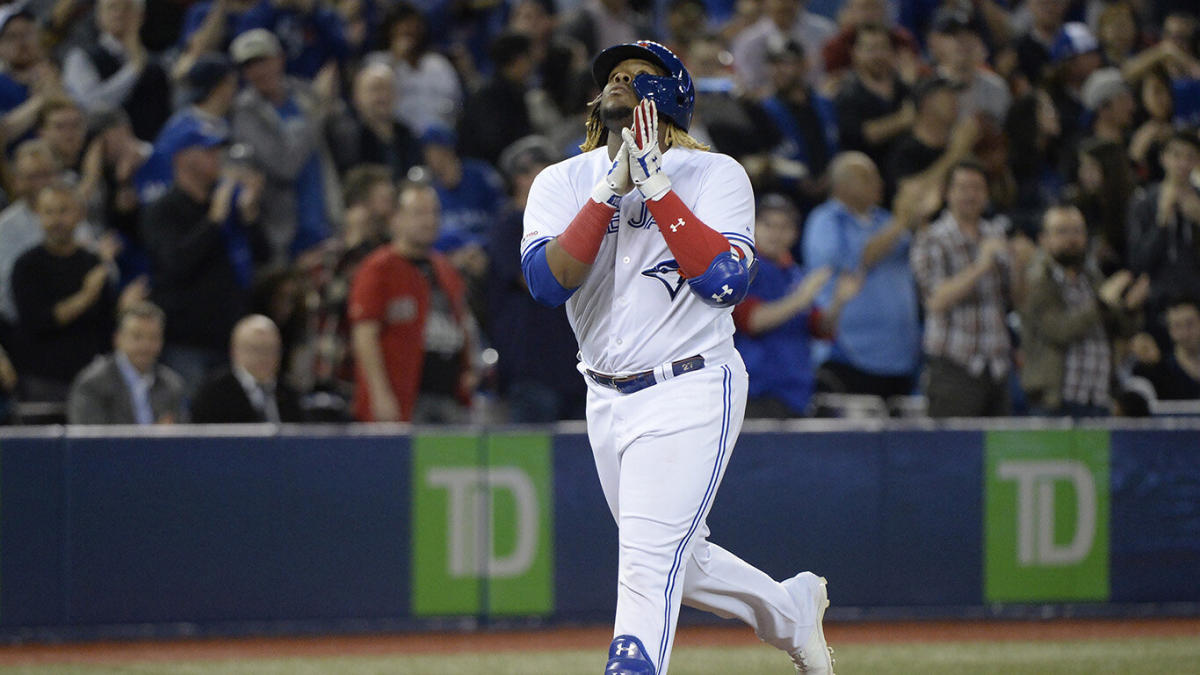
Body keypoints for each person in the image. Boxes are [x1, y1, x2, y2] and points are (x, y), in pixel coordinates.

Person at [520, 40, 832, 674]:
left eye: (638, 76)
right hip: (604, 396)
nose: (620, 82)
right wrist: (611, 188)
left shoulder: (716, 174)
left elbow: (723, 283)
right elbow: (547, 285)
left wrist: (654, 183)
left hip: (690, 385)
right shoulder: (562, 180)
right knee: (678, 562)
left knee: (645, 562)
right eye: (612, 75)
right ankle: (791, 612)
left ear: (673, 96)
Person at [139, 119, 264, 390]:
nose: (218, 158)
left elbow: (261, 260)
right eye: (209, 151)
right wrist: (213, 222)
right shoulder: (162, 210)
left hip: (229, 338)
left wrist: (250, 216)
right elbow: (175, 264)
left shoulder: (226, 204)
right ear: (184, 158)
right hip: (186, 343)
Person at [349, 180, 476, 424]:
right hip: (404, 399)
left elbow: (462, 323)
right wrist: (379, 394)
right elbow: (365, 335)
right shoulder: (379, 268)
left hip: (448, 397)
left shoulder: (445, 268)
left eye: (434, 213)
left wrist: (468, 369)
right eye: (418, 213)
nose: (429, 221)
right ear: (395, 218)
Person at [802, 152, 924, 400]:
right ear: (842, 184)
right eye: (867, 178)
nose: (878, 184)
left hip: (901, 356)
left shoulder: (885, 220)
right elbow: (860, 259)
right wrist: (902, 221)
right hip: (849, 356)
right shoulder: (825, 220)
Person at [11, 180, 144, 402]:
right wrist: (86, 296)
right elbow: (39, 320)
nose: (56, 220)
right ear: (38, 216)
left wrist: (124, 308)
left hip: (92, 379)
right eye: (48, 212)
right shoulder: (27, 265)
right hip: (43, 380)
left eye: (63, 211)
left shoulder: (92, 262)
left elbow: (107, 324)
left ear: (80, 214)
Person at [910, 160, 1023, 418]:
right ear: (947, 192)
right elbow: (935, 300)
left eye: (978, 188)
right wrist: (982, 265)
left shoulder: (996, 235)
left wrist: (1018, 266)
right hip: (953, 365)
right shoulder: (931, 238)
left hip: (997, 367)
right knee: (954, 455)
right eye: (963, 188)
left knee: (997, 455)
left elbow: (1017, 300)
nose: (971, 195)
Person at [734, 194, 858, 417]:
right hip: (757, 393)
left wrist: (839, 302)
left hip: (796, 394)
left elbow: (820, 328)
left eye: (784, 226)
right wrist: (801, 298)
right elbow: (751, 321)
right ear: (752, 227)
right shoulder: (744, 269)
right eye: (768, 225)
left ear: (795, 233)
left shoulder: (794, 273)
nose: (776, 233)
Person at [1020, 205, 1146, 417]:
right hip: (1055, 403)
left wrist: (1130, 308)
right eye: (1062, 231)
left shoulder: (1093, 280)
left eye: (1077, 231)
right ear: (1044, 239)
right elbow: (1059, 330)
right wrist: (1102, 303)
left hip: (1097, 398)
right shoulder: (1036, 283)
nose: (1072, 239)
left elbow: (1124, 330)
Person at [229, 27, 338, 264]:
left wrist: (331, 105)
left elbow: (340, 140)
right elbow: (285, 166)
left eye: (264, 60)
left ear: (280, 58)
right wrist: (318, 113)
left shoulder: (304, 93)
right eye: (250, 65)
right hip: (287, 235)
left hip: (325, 221)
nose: (259, 71)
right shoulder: (245, 111)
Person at [61, 0, 171, 141]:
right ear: (98, 16)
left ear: (141, 17)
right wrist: (133, 71)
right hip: (97, 150)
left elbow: (164, 115)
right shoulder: (81, 57)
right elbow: (91, 105)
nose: (119, 14)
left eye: (127, 8)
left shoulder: (157, 66)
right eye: (112, 7)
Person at [66, 301, 186, 424]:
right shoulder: (93, 384)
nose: (145, 345)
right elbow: (90, 439)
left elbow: (184, 437)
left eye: (153, 337)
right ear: (118, 339)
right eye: (137, 337)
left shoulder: (172, 385)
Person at [1126, 131, 1200, 316]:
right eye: (1176, 155)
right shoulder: (1143, 202)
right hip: (1159, 301)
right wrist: (1162, 222)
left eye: (1190, 156)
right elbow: (1138, 262)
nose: (1182, 163)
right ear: (1163, 158)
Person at [191, 313, 304, 423]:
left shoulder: (290, 394)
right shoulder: (213, 395)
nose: (263, 356)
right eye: (255, 348)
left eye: (270, 349)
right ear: (235, 351)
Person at [1134, 296, 1200, 400]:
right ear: (1170, 330)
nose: (1184, 333)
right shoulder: (1160, 373)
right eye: (1177, 326)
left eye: (1190, 324)